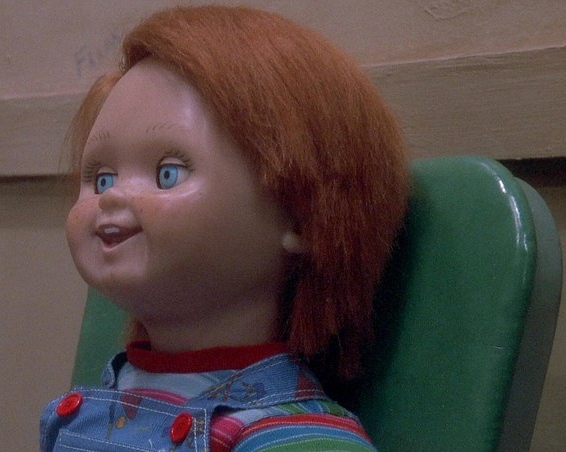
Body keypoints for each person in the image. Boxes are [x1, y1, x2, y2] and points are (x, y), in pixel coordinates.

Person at [41, 5, 408, 451]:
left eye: (167, 174)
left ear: (298, 211)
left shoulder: (293, 438)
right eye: (101, 179)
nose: (113, 197)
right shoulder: (100, 402)